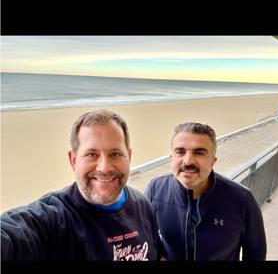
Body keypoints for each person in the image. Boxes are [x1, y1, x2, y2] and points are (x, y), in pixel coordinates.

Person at [1, 109, 161, 261]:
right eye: (92, 154)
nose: (104, 167)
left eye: (115, 154)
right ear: (74, 160)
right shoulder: (54, 218)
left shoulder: (142, 204)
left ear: (129, 156)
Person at [145, 122, 267, 261]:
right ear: (171, 158)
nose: (188, 161)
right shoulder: (156, 189)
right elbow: (146, 236)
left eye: (199, 152)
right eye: (180, 152)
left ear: (212, 161)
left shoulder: (241, 199)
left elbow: (256, 253)